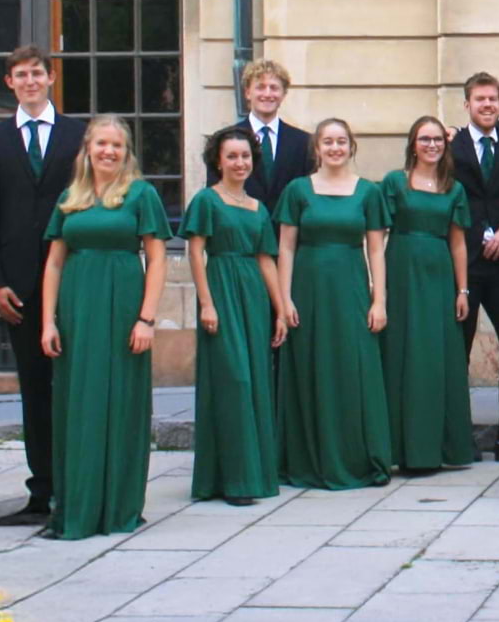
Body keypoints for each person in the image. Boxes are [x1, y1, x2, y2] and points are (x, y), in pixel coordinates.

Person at [37, 116, 169, 540]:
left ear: (125, 151)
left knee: (121, 401)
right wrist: (48, 321)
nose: (108, 151)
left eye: (116, 145)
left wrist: (146, 318)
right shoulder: (70, 196)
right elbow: (55, 262)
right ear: (88, 149)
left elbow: (158, 259)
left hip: (123, 308)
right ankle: (78, 502)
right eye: (101, 144)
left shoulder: (140, 194)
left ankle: (117, 504)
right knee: (78, 404)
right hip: (78, 310)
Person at [0, 46, 85, 521]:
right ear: (10, 82)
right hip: (18, 285)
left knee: (76, 385)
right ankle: (41, 491)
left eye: (38, 72)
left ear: (52, 78)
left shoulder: (80, 134)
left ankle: (79, 483)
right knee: (35, 389)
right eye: (22, 75)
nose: (31, 81)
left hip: (76, 278)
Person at [275, 117, 395, 490]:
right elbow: (286, 247)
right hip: (308, 291)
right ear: (317, 148)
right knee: (311, 367)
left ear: (351, 146)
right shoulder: (297, 190)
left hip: (352, 289)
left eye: (341, 141)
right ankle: (309, 458)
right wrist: (284, 299)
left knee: (353, 368)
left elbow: (376, 249)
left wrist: (379, 300)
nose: (335, 148)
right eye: (327, 142)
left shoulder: (368, 192)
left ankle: (357, 457)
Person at [181, 125, 284, 505]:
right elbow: (196, 253)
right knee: (233, 381)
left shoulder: (259, 207)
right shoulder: (206, 201)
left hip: (253, 296)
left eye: (245, 156)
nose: (239, 163)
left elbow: (266, 260)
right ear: (218, 161)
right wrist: (206, 303)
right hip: (221, 288)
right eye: (232, 157)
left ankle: (251, 474)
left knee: (254, 380)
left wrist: (279, 310)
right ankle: (231, 480)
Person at [381, 116, 476, 473]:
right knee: (400, 354)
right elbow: (377, 236)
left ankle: (440, 447)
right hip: (401, 271)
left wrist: (462, 289)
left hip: (439, 275)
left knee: (437, 356)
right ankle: (398, 446)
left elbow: (458, 243)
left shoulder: (454, 188)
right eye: (424, 139)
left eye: (438, 139)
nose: (432, 145)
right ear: (413, 144)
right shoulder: (394, 182)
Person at [453, 72, 499, 462]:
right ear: (467, 104)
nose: (487, 105)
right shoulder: (451, 145)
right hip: (464, 263)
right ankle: (456, 437)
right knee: (457, 349)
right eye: (479, 99)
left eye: (493, 100)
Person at [210, 59, 311, 211]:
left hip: (287, 231)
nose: (267, 94)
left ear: (283, 94)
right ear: (247, 93)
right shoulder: (223, 140)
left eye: (274, 88)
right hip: (241, 228)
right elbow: (214, 194)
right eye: (260, 87)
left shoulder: (304, 142)